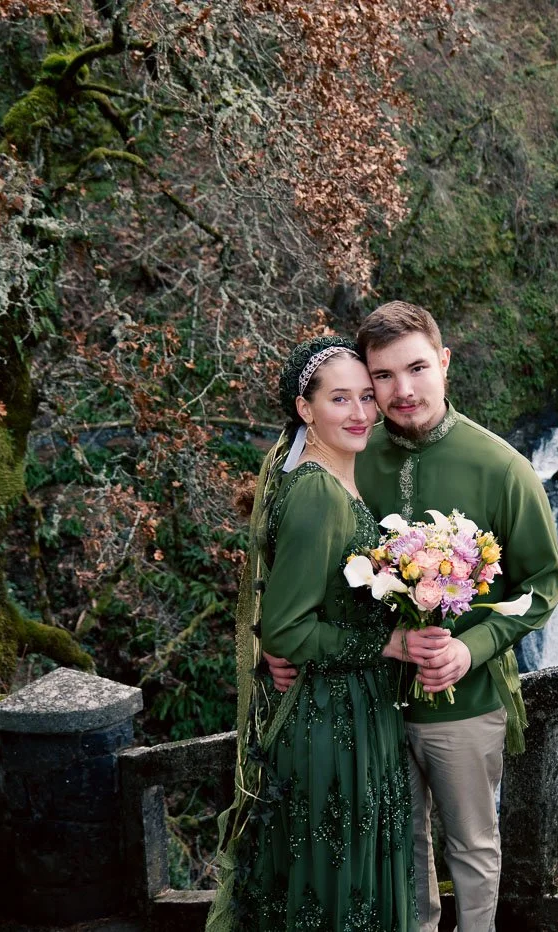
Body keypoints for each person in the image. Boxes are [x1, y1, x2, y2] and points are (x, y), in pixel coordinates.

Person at [268, 304, 558, 932]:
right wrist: (276, 646)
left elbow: (544, 586)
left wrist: (473, 646)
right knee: (400, 853)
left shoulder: (502, 467)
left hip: (465, 702)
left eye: (417, 368)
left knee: (473, 850)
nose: (402, 391)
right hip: (367, 706)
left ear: (445, 363)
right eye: (383, 376)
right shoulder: (348, 450)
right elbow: (300, 565)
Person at [206, 336, 447, 932]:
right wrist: (386, 643)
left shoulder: (339, 480)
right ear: (304, 410)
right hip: (332, 725)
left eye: (368, 396)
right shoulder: (317, 490)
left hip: (361, 713)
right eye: (341, 399)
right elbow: (286, 629)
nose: (362, 412)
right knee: (335, 890)